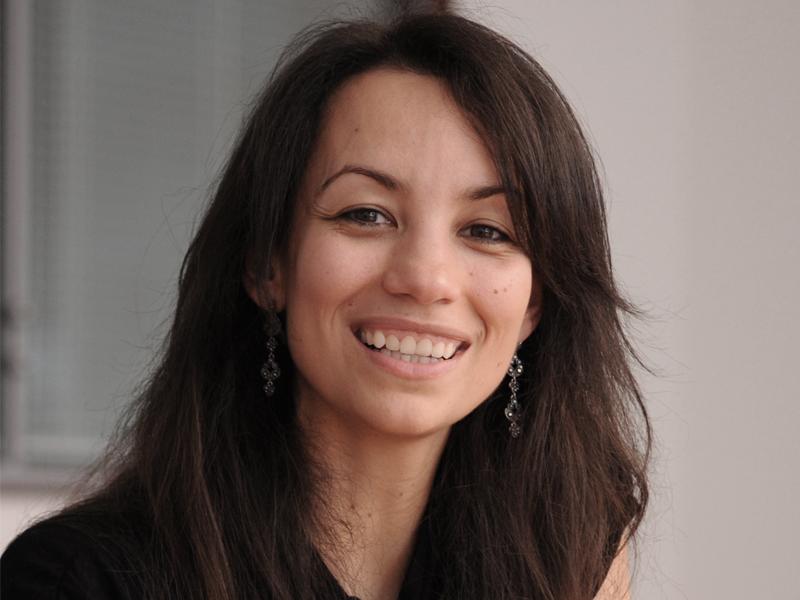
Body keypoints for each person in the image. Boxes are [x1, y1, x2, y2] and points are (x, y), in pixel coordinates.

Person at [1, 12, 650, 600]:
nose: (426, 279)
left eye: (487, 230)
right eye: (366, 214)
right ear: (267, 264)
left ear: (535, 304)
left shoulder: (569, 558)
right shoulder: (77, 581)